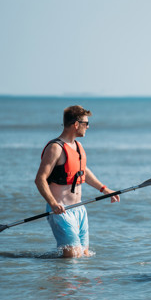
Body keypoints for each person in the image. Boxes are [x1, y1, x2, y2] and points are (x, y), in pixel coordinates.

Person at [35, 105, 120, 258]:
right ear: (76, 124)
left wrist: (105, 189)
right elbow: (39, 179)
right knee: (72, 257)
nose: (88, 127)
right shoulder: (55, 148)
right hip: (61, 210)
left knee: (84, 254)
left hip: (80, 210)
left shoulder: (78, 146)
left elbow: (83, 172)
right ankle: (59, 281)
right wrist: (53, 204)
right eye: (86, 123)